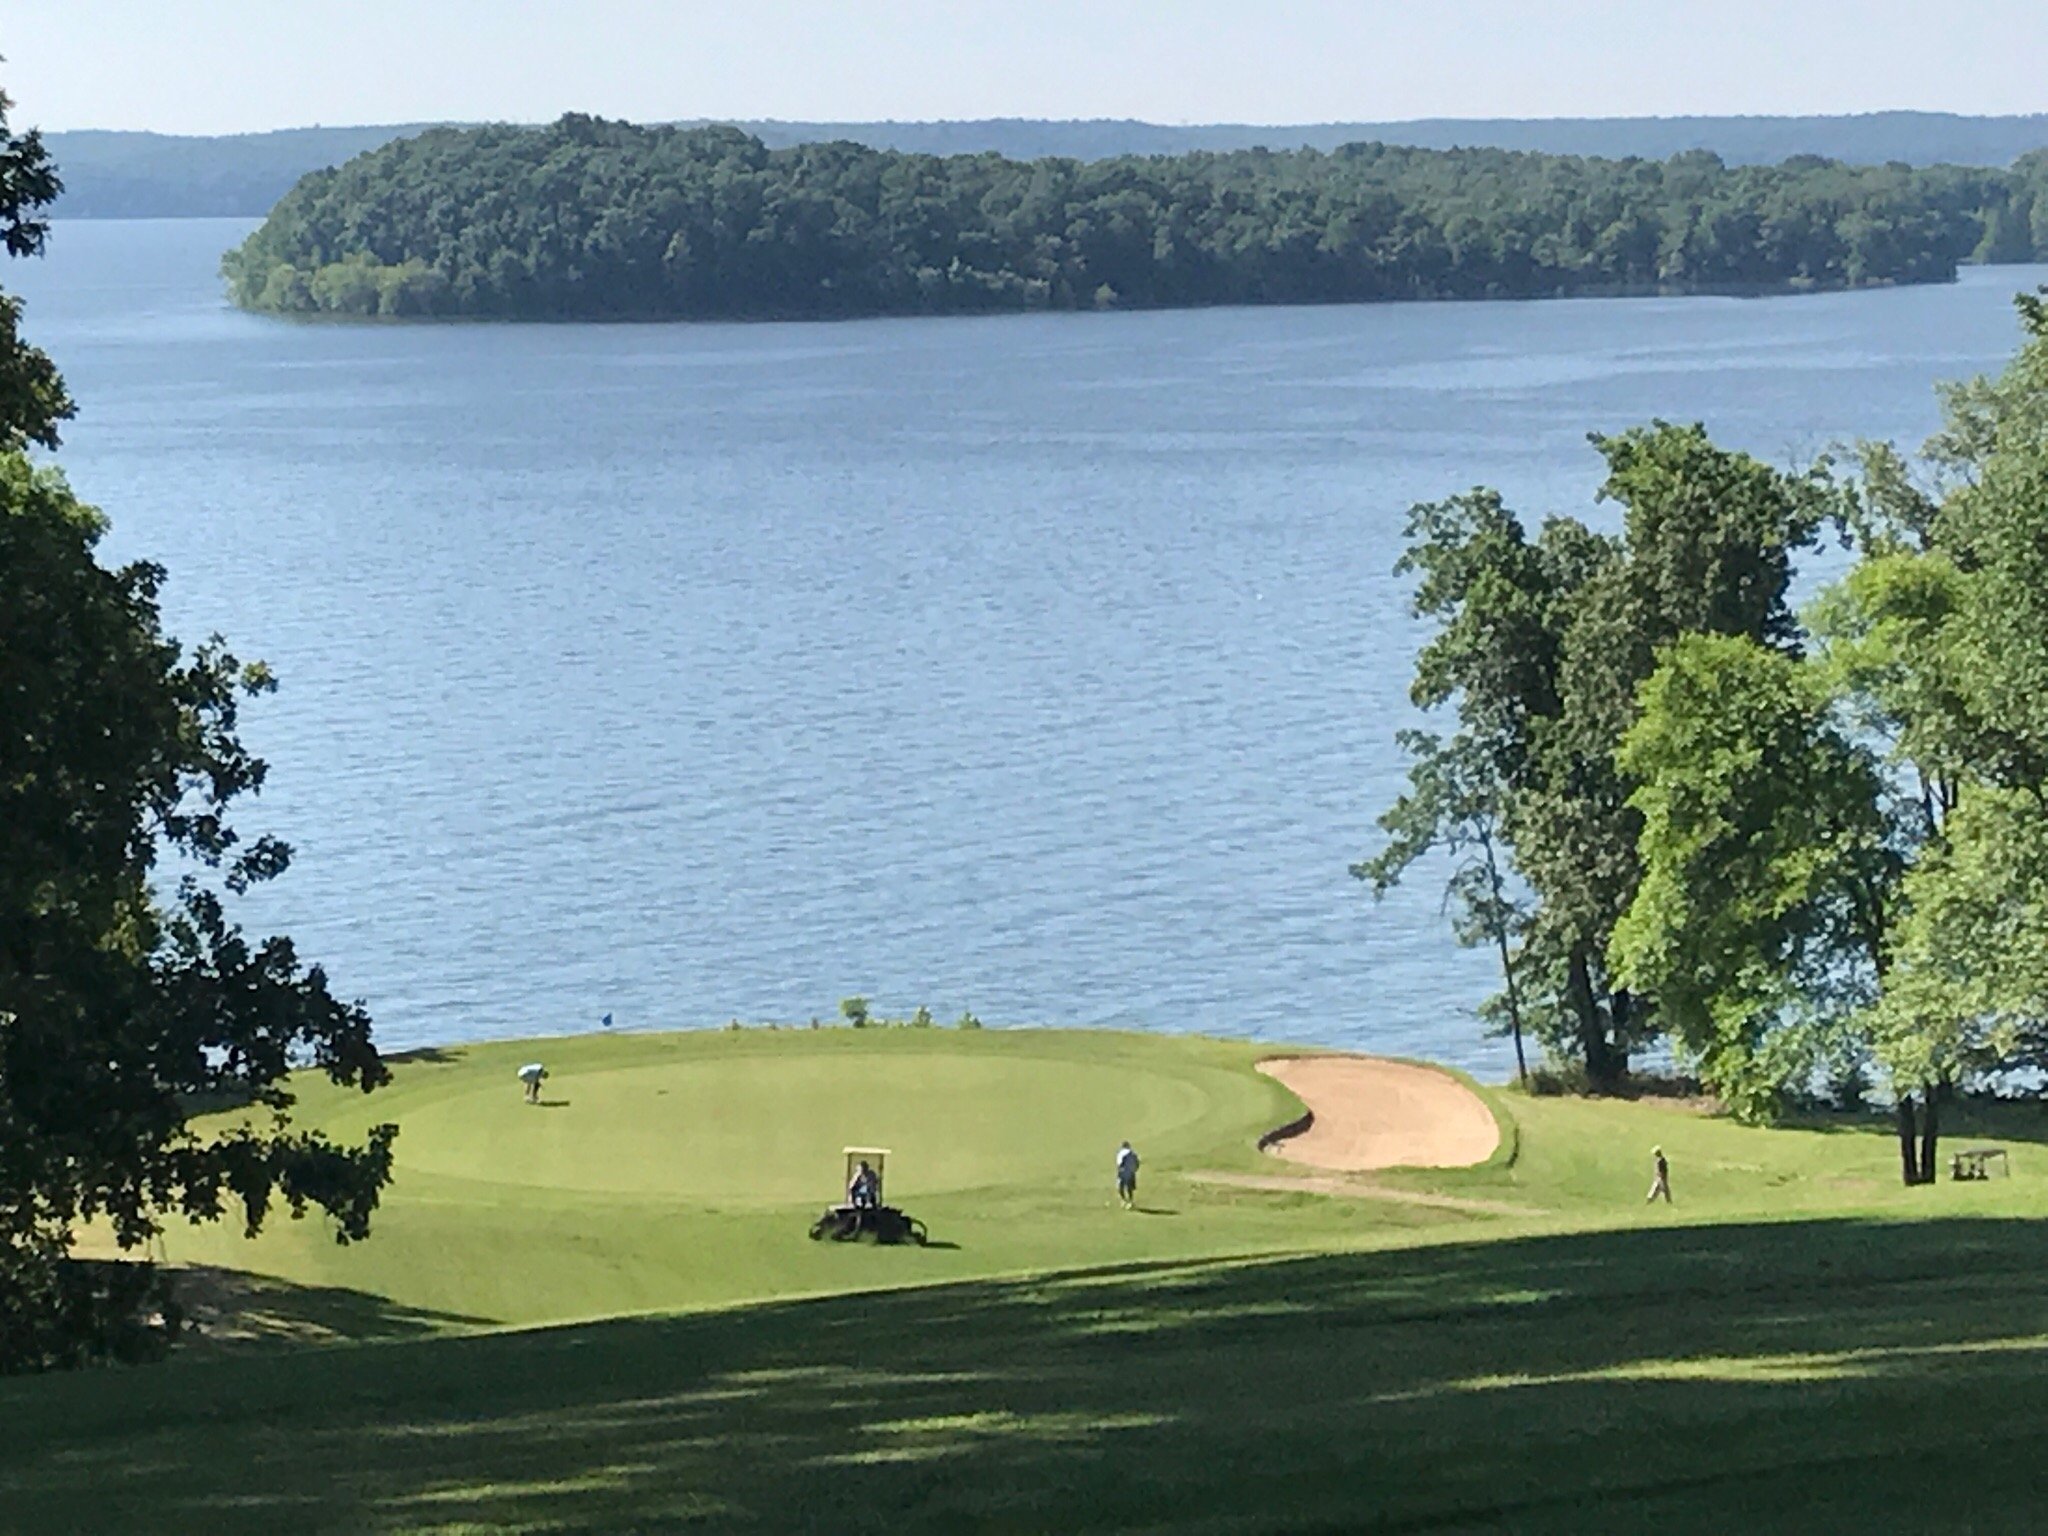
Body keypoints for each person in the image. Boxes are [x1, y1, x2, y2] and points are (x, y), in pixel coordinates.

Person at [1116, 1140, 1140, 1209]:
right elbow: (1137, 1164)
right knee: (1130, 1188)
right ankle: (1131, 1201)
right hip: (1131, 1173)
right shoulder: (1133, 1154)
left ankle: (1123, 1200)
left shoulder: (1121, 1153)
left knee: (1120, 1187)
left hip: (1123, 1172)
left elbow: (1119, 1164)